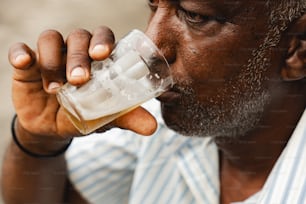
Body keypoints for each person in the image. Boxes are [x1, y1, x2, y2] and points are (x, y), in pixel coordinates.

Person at [2, 0, 306, 203]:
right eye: (153, 5)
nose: (151, 45)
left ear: (297, 50)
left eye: (195, 16)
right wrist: (38, 140)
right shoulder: (158, 128)